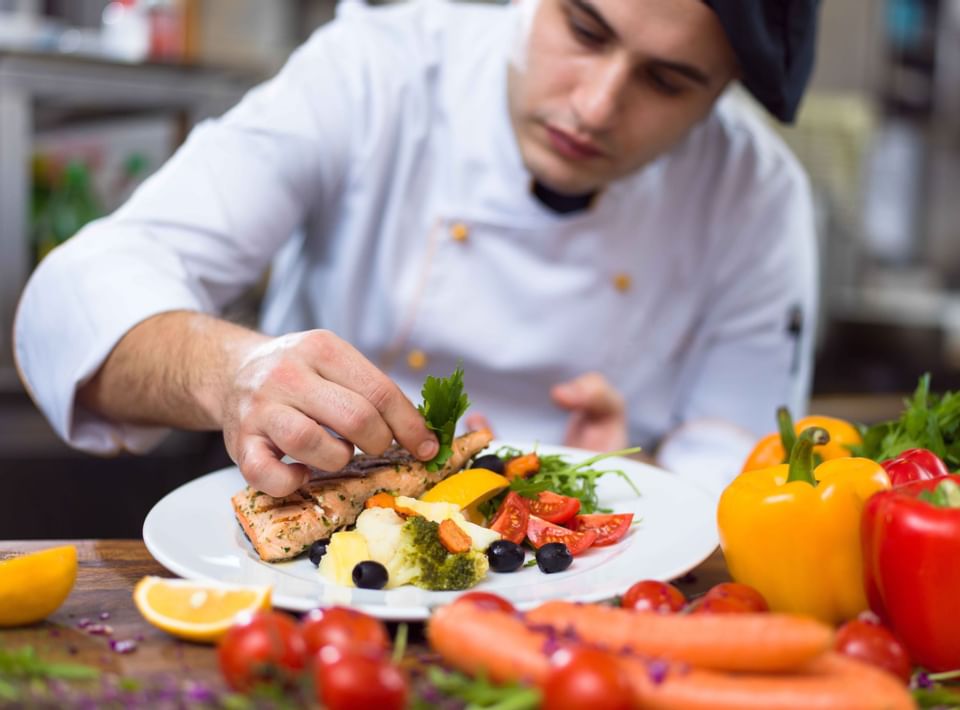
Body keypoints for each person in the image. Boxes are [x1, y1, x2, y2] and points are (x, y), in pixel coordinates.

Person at [15, 0, 821, 500]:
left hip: (585, 595)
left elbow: (741, 462)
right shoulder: (377, 69)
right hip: (318, 574)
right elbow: (79, 290)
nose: (596, 104)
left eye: (668, 81)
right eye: (582, 25)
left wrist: (637, 493)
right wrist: (233, 373)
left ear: (723, 91)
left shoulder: (754, 194)